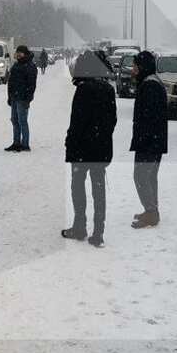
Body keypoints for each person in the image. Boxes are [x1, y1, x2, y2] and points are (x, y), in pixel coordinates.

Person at [62, 51, 117, 247]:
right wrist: (101, 137)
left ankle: (79, 227)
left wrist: (71, 142)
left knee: (78, 187)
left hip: (82, 150)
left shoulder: (84, 90)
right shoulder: (108, 89)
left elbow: (77, 122)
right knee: (99, 189)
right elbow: (112, 121)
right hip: (100, 149)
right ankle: (98, 232)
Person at [130, 51, 167, 228]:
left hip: (149, 142)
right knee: (150, 177)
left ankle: (151, 212)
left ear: (142, 67)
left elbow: (150, 118)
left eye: (135, 66)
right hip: (154, 141)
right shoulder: (151, 82)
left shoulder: (149, 85)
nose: (133, 70)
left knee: (141, 176)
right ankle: (152, 210)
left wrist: (144, 142)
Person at [5, 45, 37, 152]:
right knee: (14, 120)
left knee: (22, 121)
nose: (18, 54)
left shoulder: (30, 66)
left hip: (22, 98)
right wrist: (9, 96)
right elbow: (11, 82)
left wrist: (28, 99)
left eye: (20, 52)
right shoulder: (16, 65)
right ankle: (16, 142)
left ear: (25, 53)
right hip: (14, 97)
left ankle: (25, 144)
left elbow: (32, 85)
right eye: (17, 52)